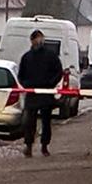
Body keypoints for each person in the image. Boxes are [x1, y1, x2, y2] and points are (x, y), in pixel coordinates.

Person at [17, 29, 64, 157]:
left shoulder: (50, 55)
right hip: (32, 93)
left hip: (46, 93)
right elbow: (20, 75)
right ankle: (29, 145)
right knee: (29, 122)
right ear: (32, 41)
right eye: (36, 39)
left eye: (40, 38)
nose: (38, 41)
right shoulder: (27, 57)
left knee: (46, 122)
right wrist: (27, 85)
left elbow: (59, 72)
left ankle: (44, 146)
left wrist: (50, 84)